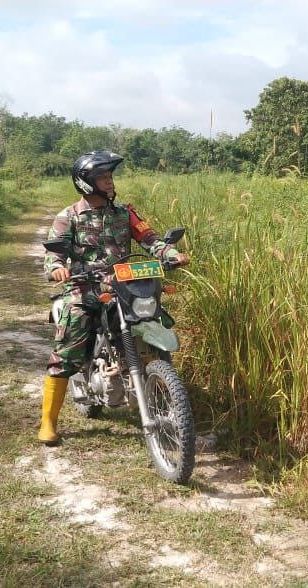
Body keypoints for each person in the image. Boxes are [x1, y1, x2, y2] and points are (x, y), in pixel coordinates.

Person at [37, 150, 190, 445]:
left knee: (152, 318)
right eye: (103, 177)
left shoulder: (125, 213)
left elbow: (151, 240)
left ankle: (157, 391)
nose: (109, 181)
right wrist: (56, 268)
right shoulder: (68, 217)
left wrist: (171, 254)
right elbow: (53, 254)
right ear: (86, 183)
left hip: (124, 286)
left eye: (110, 176)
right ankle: (48, 422)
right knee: (68, 345)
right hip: (84, 287)